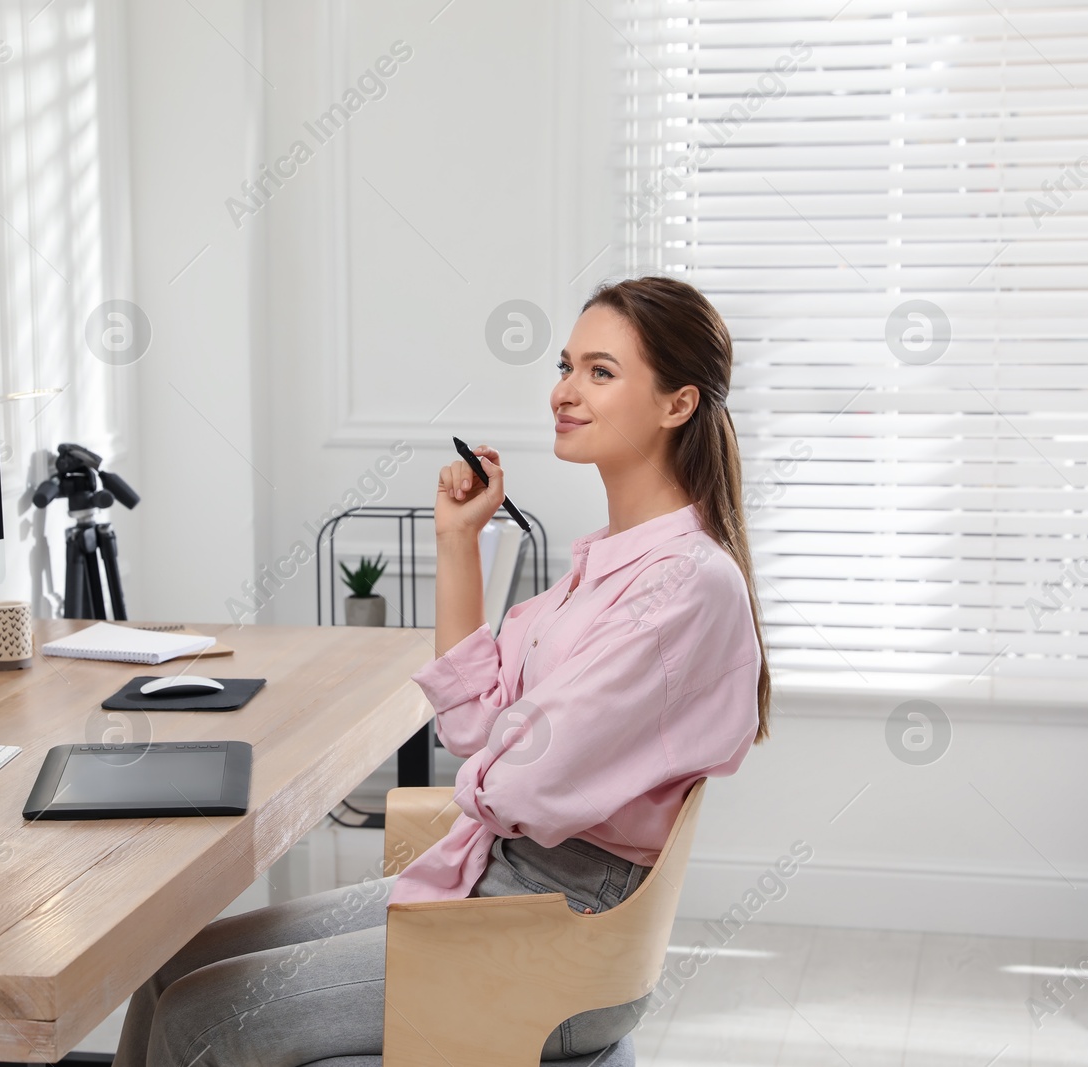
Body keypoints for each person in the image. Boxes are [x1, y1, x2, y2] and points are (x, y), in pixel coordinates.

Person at [111, 276, 770, 1066]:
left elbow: (515, 778)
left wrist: (489, 764)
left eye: (600, 371)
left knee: (203, 1016)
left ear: (678, 404)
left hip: (559, 929)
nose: (564, 390)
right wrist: (459, 540)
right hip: (509, 877)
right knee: (166, 971)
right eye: (566, 365)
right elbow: (475, 729)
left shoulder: (681, 584)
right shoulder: (611, 562)